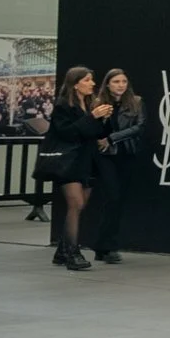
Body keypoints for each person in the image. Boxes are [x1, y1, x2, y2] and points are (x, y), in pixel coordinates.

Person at [44, 66, 112, 271]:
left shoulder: (90, 103)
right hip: (69, 162)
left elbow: (94, 132)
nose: (92, 83)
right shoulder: (63, 105)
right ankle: (73, 252)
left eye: (92, 80)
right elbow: (67, 133)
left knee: (80, 206)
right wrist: (92, 117)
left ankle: (63, 251)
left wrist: (102, 120)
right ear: (76, 84)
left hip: (87, 161)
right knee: (76, 204)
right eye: (87, 80)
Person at [85, 68, 144, 266]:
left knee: (118, 201)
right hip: (105, 157)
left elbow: (139, 127)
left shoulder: (136, 102)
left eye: (124, 81)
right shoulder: (97, 103)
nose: (120, 85)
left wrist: (112, 138)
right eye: (116, 81)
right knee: (113, 196)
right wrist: (101, 122)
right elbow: (91, 129)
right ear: (108, 84)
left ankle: (105, 246)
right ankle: (105, 245)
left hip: (126, 154)